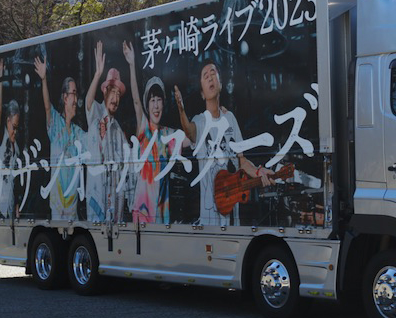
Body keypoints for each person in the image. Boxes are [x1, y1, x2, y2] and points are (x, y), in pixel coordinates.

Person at [177, 60, 273, 226]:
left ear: (220, 83)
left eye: (213, 73)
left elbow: (241, 161)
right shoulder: (199, 121)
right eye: (205, 76)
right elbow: (189, 130)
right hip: (210, 219)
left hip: (232, 217)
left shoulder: (230, 119)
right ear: (202, 93)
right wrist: (181, 109)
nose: (210, 78)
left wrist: (258, 172)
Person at [124, 41, 188, 224]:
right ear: (147, 105)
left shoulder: (168, 134)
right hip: (143, 209)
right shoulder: (144, 128)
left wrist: (182, 109)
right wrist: (131, 64)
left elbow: (191, 139)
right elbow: (136, 101)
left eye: (159, 100)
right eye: (152, 100)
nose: (156, 106)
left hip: (161, 211)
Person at [34, 54, 86, 221]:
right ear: (65, 97)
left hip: (72, 206)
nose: (76, 100)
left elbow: (92, 144)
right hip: (57, 205)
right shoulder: (55, 123)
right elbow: (47, 106)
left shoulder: (78, 132)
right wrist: (43, 79)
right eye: (73, 94)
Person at [84, 40, 130, 222]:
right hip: (97, 198)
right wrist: (97, 74)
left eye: (118, 94)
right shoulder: (96, 113)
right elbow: (88, 102)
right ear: (104, 92)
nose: (115, 98)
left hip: (114, 202)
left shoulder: (117, 129)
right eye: (112, 92)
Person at [0, 58, 20, 218]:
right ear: (7, 121)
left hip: (10, 203)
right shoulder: (1, 135)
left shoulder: (17, 148)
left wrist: (17, 205)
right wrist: (0, 79)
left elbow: (17, 180)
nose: (14, 131)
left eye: (17, 128)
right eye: (13, 126)